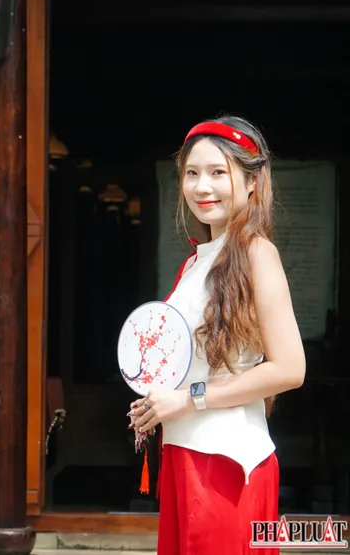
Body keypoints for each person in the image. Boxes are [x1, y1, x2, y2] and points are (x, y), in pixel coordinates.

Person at [128, 116, 305, 555]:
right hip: (183, 454)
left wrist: (188, 400)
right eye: (192, 173)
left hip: (226, 463)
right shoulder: (194, 264)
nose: (202, 186)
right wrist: (157, 401)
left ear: (251, 181)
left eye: (217, 172)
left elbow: (290, 368)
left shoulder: (257, 253)